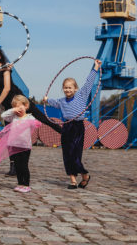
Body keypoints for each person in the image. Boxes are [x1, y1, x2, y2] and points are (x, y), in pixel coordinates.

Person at [0, 44, 62, 176]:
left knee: (42, 117)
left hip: (19, 101)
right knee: (9, 136)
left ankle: (64, 132)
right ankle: (13, 167)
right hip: (8, 106)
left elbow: (7, 88)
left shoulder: (6, 68)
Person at [43, 59, 101, 189]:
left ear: (75, 88)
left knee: (75, 155)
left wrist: (96, 67)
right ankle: (73, 180)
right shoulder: (62, 101)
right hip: (67, 127)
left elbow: (89, 82)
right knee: (67, 154)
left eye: (70, 87)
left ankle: (85, 174)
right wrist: (46, 100)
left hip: (78, 127)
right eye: (65, 87)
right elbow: (54, 102)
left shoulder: (82, 95)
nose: (67, 89)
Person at [0, 95, 40, 193]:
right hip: (13, 145)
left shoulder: (29, 117)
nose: (19, 109)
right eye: (16, 107)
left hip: (25, 146)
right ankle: (20, 183)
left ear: (26, 106)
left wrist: (35, 123)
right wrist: (13, 110)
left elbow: (35, 123)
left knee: (24, 165)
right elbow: (3, 115)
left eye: (21, 107)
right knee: (17, 166)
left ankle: (26, 185)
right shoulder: (13, 117)